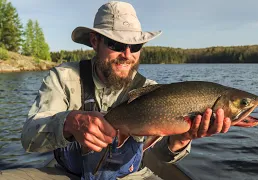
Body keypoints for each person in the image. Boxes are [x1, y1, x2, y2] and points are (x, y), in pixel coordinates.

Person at [21, 1, 231, 179]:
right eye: (116, 44)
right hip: (67, 174)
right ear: (95, 41)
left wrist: (182, 139)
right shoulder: (64, 77)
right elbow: (29, 137)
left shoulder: (149, 90)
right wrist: (69, 123)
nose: (128, 54)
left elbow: (157, 155)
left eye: (136, 46)